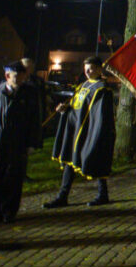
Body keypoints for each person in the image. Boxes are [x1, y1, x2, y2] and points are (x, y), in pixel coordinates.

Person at [44, 56, 115, 208]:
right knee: (70, 160)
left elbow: (101, 115)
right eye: (86, 68)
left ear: (99, 69)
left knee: (94, 158)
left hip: (89, 130)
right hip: (75, 129)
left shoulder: (102, 89)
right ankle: (63, 196)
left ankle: (103, 195)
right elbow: (77, 106)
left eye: (91, 68)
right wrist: (65, 110)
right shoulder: (83, 85)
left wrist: (95, 132)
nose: (88, 71)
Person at [0, 61, 41, 223]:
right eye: (17, 76)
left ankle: (9, 212)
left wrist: (32, 143)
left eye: (22, 76)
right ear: (7, 76)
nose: (21, 79)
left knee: (15, 178)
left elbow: (34, 119)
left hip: (20, 142)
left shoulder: (29, 93)